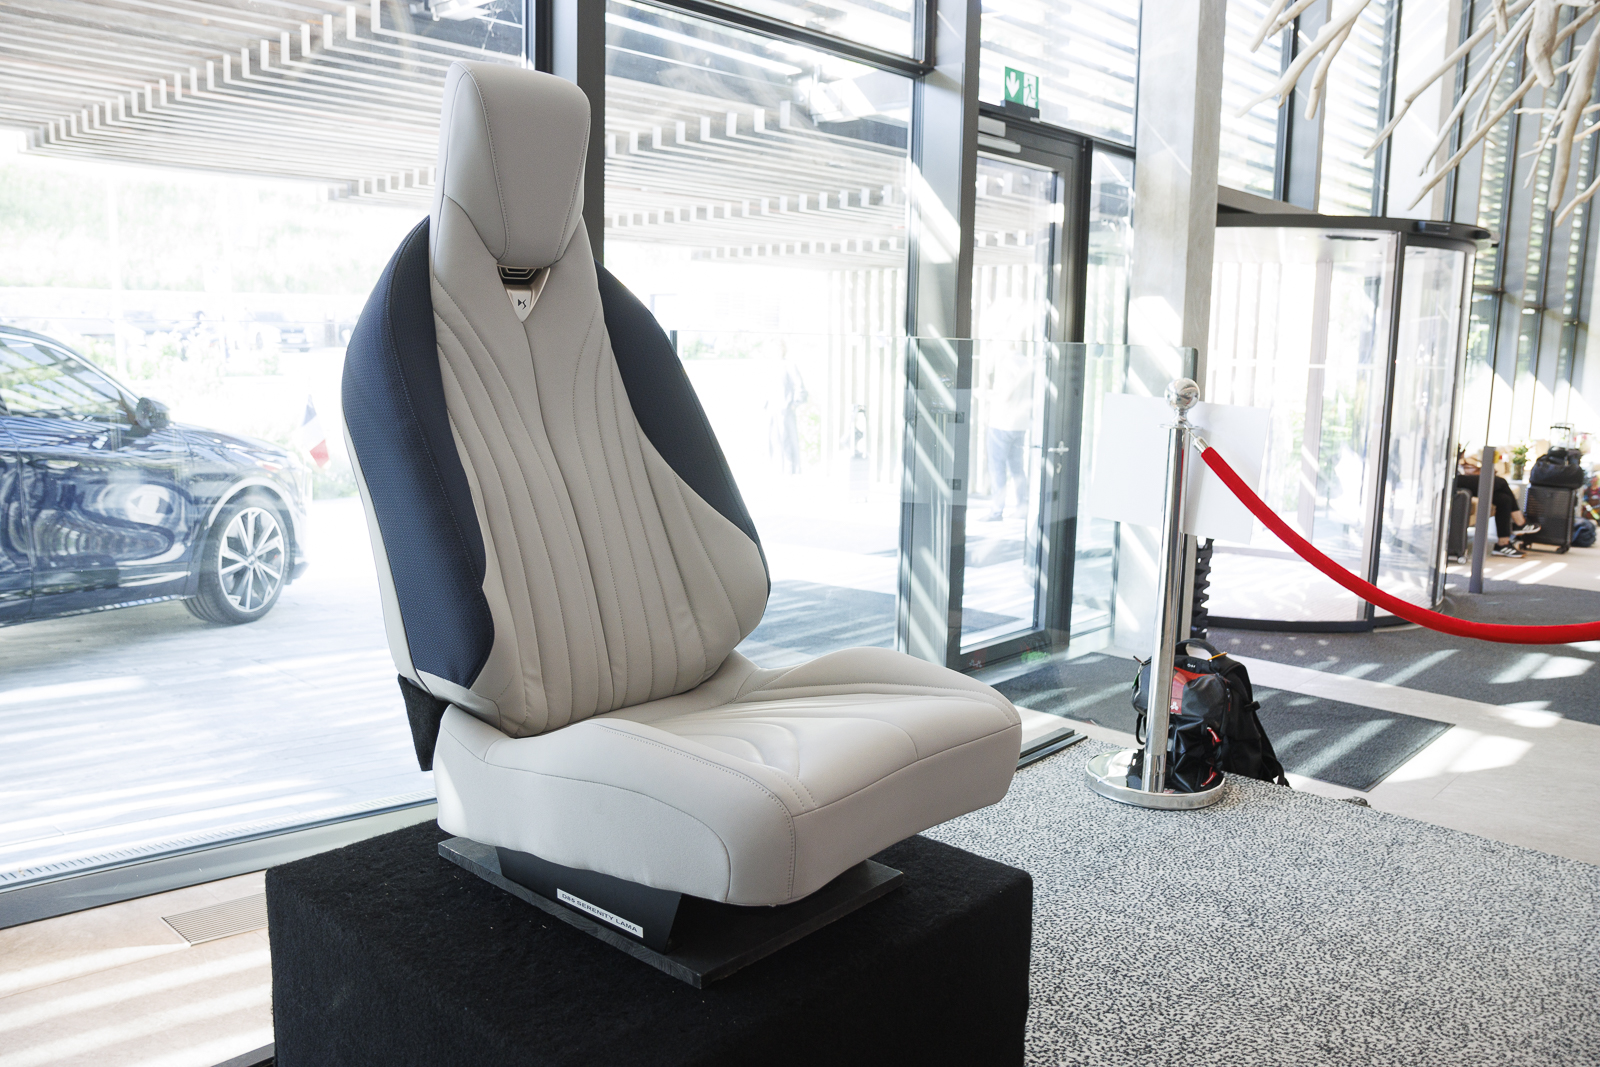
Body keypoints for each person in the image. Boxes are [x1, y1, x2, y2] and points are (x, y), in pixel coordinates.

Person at [1455, 450, 1540, 557]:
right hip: (1452, 480)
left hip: (1459, 475)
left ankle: (1503, 544)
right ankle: (1520, 523)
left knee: (1504, 499)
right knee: (1501, 482)